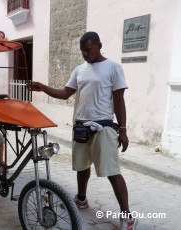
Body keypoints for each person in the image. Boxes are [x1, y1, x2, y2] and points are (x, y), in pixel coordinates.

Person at [27, 32, 137, 230]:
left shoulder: (113, 67)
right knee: (82, 167)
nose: (85, 54)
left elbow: (119, 100)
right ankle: (81, 198)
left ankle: (127, 215)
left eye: (89, 50)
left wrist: (122, 130)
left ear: (99, 45)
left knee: (112, 172)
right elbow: (64, 93)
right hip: (81, 127)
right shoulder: (79, 70)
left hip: (103, 126)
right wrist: (43, 87)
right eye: (82, 51)